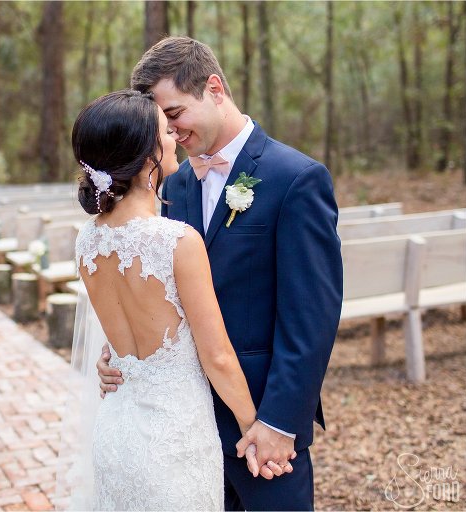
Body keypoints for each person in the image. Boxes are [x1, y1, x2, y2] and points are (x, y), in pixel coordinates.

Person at [97, 36, 343, 510]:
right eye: (160, 124)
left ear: (213, 88)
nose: (169, 133)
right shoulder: (171, 183)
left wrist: (278, 423)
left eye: (174, 115)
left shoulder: (297, 178)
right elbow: (156, 292)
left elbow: (311, 319)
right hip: (180, 428)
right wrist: (122, 356)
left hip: (262, 431)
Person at [59, 89, 281, 510]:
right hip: (173, 440)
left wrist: (108, 360)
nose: (175, 136)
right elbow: (216, 355)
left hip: (115, 434)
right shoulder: (176, 241)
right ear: (147, 157)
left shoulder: (87, 242)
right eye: (165, 130)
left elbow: (119, 334)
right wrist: (254, 427)